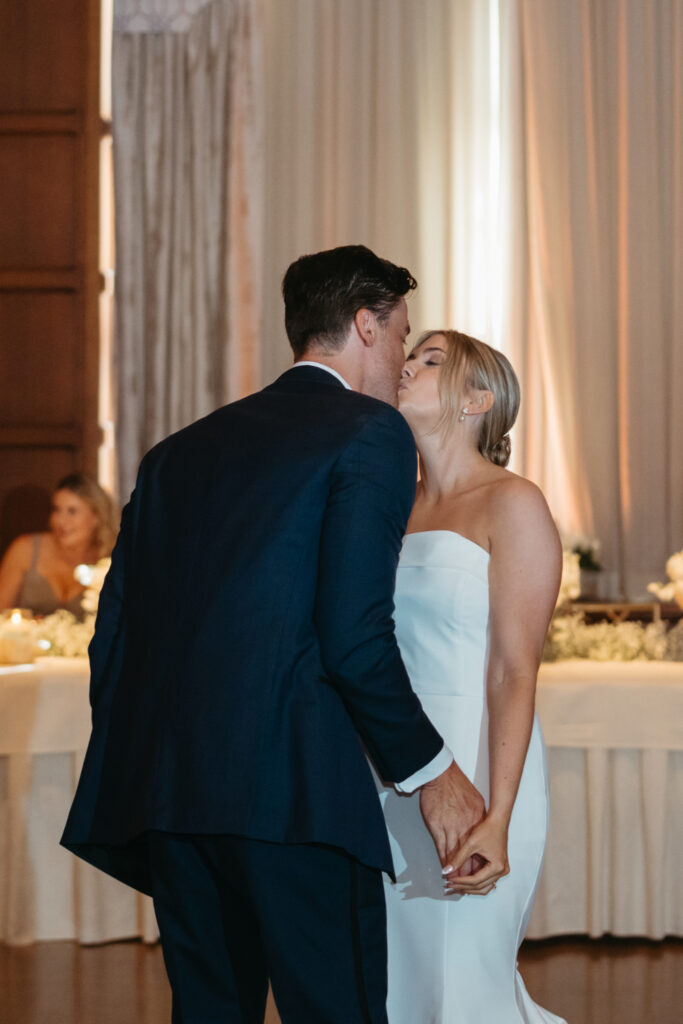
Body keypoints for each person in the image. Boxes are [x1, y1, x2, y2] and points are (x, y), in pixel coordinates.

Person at [61, 247, 486, 1024]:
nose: (399, 359)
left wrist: (162, 753)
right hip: (298, 799)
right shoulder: (368, 433)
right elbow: (354, 632)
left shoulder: (175, 453)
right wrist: (432, 771)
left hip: (173, 798)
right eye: (400, 335)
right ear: (365, 325)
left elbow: (112, 636)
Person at [376, 329, 566, 1022]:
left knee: (459, 988)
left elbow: (514, 671)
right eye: (410, 354)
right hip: (389, 769)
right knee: (397, 987)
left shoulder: (511, 502)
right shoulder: (389, 502)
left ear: (476, 400)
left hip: (479, 765)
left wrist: (499, 815)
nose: (406, 365)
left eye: (430, 361)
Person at [0, 473, 118, 619]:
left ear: (96, 517)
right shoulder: (24, 549)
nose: (61, 521)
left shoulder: (110, 560)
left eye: (72, 511)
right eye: (56, 510)